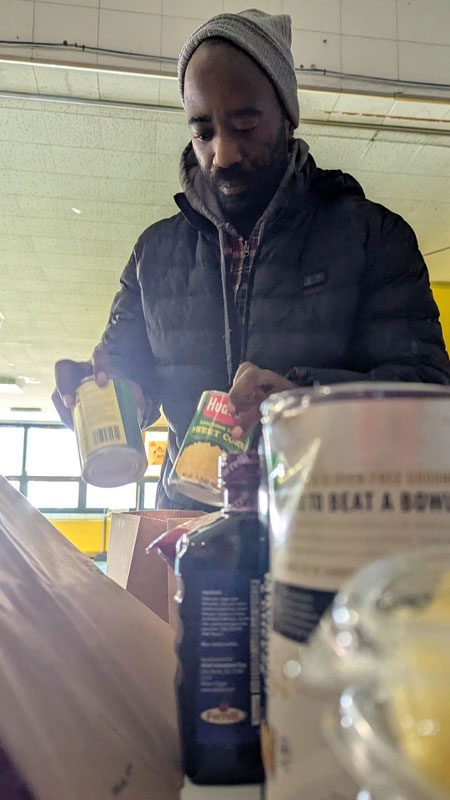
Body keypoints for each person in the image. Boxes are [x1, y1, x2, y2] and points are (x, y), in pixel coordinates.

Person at [53, 9, 450, 509]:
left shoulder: (372, 238)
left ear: (286, 115)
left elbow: (429, 400)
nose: (223, 155)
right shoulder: (154, 254)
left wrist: (305, 402)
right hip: (190, 523)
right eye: (203, 132)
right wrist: (103, 393)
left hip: (320, 524)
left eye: (244, 124)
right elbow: (133, 376)